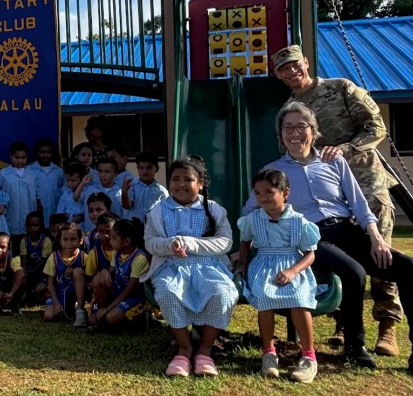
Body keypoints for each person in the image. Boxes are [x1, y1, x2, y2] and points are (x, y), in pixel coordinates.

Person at [244, 102, 413, 382]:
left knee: (408, 267)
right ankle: (355, 346)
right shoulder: (273, 170)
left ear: (313, 131)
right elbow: (250, 208)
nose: (295, 133)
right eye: (287, 127)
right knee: (353, 272)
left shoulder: (333, 161)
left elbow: (358, 202)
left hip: (348, 230)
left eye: (301, 126)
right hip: (311, 237)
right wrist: (241, 247)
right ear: (280, 135)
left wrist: (376, 238)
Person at [272, 44, 403, 356]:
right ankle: (344, 323)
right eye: (283, 69)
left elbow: (377, 127)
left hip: (364, 180)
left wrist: (345, 148)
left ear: (305, 62)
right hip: (327, 194)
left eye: (294, 65)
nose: (292, 72)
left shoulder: (340, 88)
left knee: (380, 250)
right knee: (338, 255)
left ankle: (387, 326)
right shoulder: (288, 111)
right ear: (278, 75)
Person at [142, 156, 239, 378]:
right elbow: (150, 242)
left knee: (223, 293)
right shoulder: (158, 210)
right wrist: (170, 244)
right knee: (167, 293)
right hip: (171, 266)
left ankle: (206, 348)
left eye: (188, 179)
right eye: (175, 179)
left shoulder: (213, 210)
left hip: (209, 267)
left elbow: (226, 241)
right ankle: (184, 348)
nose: (181, 184)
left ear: (201, 183)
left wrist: (193, 244)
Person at [234, 168, 321, 383]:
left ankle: (309, 356)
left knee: (300, 299)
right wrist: (243, 262)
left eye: (269, 192)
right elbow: (245, 240)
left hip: (292, 264)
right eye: (258, 193)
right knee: (265, 297)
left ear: (285, 192)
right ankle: (269, 353)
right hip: (263, 264)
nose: (263, 198)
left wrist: (293, 271)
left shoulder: (299, 221)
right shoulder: (253, 219)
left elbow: (310, 254)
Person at [88, 218, 150, 332]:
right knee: (98, 279)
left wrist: (108, 309)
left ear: (126, 241)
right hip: (119, 291)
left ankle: (141, 319)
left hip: (134, 298)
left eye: (113, 238)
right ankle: (103, 314)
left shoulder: (139, 259)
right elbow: (110, 271)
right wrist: (104, 272)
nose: (110, 241)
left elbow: (130, 290)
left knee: (111, 318)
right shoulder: (117, 252)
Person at [79, 211, 119, 328]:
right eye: (101, 231)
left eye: (109, 231)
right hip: (103, 293)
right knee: (92, 320)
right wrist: (92, 282)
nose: (105, 235)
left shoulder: (123, 250)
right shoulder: (94, 253)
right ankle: (102, 310)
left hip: (122, 290)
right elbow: (89, 278)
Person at [0, 141, 38, 247]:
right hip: (10, 217)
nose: (20, 161)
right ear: (10, 156)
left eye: (23, 157)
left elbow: (37, 196)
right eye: (17, 157)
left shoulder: (32, 174)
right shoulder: (3, 174)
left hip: (28, 218)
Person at [43, 222, 86, 322]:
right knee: (49, 317)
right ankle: (61, 307)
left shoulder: (84, 257)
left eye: (73, 239)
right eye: (65, 240)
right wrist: (56, 303)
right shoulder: (53, 257)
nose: (69, 243)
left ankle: (79, 308)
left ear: (80, 241)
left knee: (78, 272)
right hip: (58, 294)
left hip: (75, 294)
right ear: (60, 241)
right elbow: (50, 283)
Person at [0, 232, 27, 314]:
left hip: (9, 291)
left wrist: (11, 293)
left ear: (9, 249)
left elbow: (21, 274)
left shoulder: (11, 260)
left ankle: (15, 305)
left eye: (3, 247)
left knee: (22, 279)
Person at [122, 151, 168, 223]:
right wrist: (124, 193)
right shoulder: (132, 186)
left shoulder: (162, 191)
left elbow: (165, 213)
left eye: (149, 168)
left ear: (157, 168)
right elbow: (127, 206)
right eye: (141, 168)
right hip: (132, 228)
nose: (145, 171)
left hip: (152, 229)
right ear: (137, 168)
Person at [28, 138, 65, 223]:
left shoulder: (58, 171)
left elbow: (64, 191)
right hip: (36, 215)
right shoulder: (29, 171)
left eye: (48, 152)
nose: (45, 155)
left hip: (55, 214)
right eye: (42, 152)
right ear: (37, 152)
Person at [18, 210, 52, 291]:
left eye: (35, 225)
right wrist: (24, 272)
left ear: (42, 227)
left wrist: (31, 272)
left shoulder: (46, 241)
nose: (32, 228)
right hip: (29, 271)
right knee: (20, 280)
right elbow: (24, 260)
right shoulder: (24, 241)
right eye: (29, 225)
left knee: (40, 288)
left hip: (42, 272)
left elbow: (44, 262)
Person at [56, 162, 89, 229]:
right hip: (68, 228)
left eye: (73, 181)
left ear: (82, 179)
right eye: (68, 180)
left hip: (84, 227)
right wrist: (69, 216)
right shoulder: (65, 194)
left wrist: (82, 217)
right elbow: (59, 213)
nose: (70, 184)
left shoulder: (87, 193)